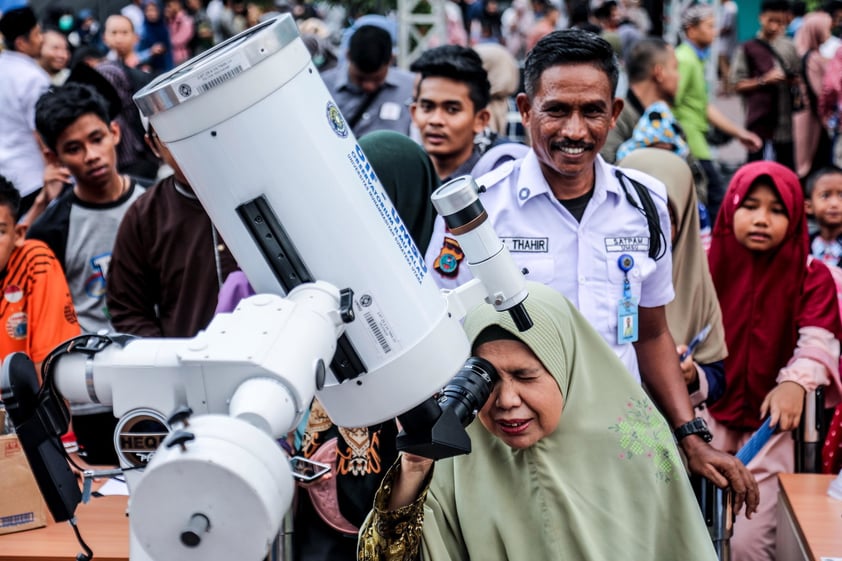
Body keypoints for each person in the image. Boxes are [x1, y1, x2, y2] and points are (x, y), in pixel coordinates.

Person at [424, 28, 759, 513]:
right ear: (524, 109)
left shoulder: (644, 205)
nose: (575, 131)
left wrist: (690, 435)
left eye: (592, 111)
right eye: (556, 110)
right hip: (509, 449)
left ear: (615, 113)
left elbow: (649, 333)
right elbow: (442, 334)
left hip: (615, 450)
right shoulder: (478, 209)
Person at [357, 282, 720, 561]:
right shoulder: (454, 459)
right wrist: (415, 467)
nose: (507, 401)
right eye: (488, 380)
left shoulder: (635, 447)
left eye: (525, 376)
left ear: (565, 369)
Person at [215, 130, 441, 561]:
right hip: (312, 508)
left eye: (382, 201)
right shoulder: (312, 288)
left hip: (417, 511)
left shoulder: (440, 301)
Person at [706, 160, 842, 561]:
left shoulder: (813, 273)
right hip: (703, 415)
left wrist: (796, 383)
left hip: (773, 426)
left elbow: (818, 340)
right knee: (695, 527)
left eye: (777, 209)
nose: (762, 219)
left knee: (750, 542)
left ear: (798, 215)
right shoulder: (703, 260)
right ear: (730, 206)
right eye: (750, 206)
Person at [28, 83, 148, 335]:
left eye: (96, 139)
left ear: (114, 132)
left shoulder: (156, 199)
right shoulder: (50, 231)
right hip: (96, 363)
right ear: (54, 158)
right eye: (73, 148)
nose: (91, 155)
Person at [617, 148, 727, 408]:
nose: (650, 230)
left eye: (665, 218)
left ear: (685, 220)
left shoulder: (696, 283)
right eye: (638, 213)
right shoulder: (592, 271)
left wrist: (691, 375)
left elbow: (718, 378)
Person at [107, 122, 238, 338]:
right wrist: (167, 358)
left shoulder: (265, 187)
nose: (185, 142)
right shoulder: (145, 216)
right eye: (170, 135)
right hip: (191, 363)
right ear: (153, 145)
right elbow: (128, 309)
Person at [674, 3, 762, 221]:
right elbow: (673, 102)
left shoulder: (694, 58)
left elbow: (704, 107)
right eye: (710, 26)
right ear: (692, 30)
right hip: (690, 138)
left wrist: (739, 133)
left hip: (695, 137)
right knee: (714, 196)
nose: (715, 32)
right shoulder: (685, 59)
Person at [0, 174, 79, 382]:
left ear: (18, 235)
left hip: (22, 409)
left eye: (0, 232)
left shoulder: (35, 261)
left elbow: (47, 365)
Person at [730, 0, 801, 170]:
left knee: (786, 168)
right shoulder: (748, 47)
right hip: (758, 118)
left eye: (780, 21)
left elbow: (798, 78)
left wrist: (790, 79)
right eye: (771, 20)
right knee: (754, 167)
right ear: (761, 18)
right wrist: (763, 80)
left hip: (784, 120)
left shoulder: (789, 46)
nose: (775, 26)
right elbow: (735, 84)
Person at [409, 45, 495, 182]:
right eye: (427, 107)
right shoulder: (401, 179)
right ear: (413, 113)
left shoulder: (494, 185)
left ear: (481, 120)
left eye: (452, 110)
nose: (436, 120)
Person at [321, 25, 415, 138]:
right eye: (360, 79)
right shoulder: (323, 86)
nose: (368, 86)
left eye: (377, 79)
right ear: (348, 56)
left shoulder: (411, 87)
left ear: (391, 60)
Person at [0, 6, 50, 216]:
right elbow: (42, 131)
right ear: (21, 43)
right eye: (37, 34)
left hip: (8, 180)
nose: (41, 39)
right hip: (37, 179)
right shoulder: (32, 77)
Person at [602, 37, 680, 163]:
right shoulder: (615, 118)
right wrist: (645, 156)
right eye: (675, 68)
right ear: (659, 73)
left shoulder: (666, 118)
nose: (679, 76)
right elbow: (606, 170)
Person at [793, 11, 833, 180]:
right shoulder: (813, 58)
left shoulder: (805, 53)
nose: (829, 33)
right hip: (813, 118)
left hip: (805, 115)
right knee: (812, 161)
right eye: (827, 29)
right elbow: (820, 91)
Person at [806, 166, 842, 267]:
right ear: (808, 206)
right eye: (825, 195)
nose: (834, 204)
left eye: (841, 195)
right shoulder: (804, 245)